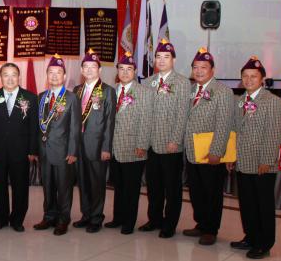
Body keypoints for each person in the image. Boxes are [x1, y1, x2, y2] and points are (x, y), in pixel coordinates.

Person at [231, 57, 281, 259]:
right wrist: (231, 156)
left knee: (263, 204)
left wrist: (267, 160)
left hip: (262, 163)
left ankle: (264, 243)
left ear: (262, 79)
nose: (249, 80)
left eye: (253, 76)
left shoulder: (272, 101)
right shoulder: (239, 101)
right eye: (245, 76)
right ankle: (251, 237)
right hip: (243, 160)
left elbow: (273, 133)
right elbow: (235, 131)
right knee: (247, 203)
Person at [181, 48, 234, 246]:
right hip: (192, 151)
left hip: (210, 152)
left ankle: (211, 229)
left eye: (203, 67)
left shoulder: (223, 91)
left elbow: (224, 123)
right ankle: (201, 224)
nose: (199, 71)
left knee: (212, 192)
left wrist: (216, 151)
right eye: (196, 67)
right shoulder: (190, 90)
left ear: (212, 70)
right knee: (196, 191)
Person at [140, 39, 191, 238]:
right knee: (153, 187)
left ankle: (169, 224)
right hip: (151, 144)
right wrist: (143, 142)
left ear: (174, 60)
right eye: (158, 57)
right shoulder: (148, 82)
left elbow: (182, 114)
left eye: (166, 57)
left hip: (171, 145)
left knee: (172, 189)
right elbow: (144, 114)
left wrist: (175, 140)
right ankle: (154, 219)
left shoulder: (182, 82)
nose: (161, 60)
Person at [0, 62, 38, 232]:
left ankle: (18, 219)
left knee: (20, 187)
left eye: (13, 75)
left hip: (21, 151)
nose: (10, 79)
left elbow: (34, 126)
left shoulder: (30, 97)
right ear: (1, 77)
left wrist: (32, 150)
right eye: (6, 75)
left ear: (19, 77)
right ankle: (0, 218)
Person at [33, 54, 79, 236]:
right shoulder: (41, 97)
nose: (54, 76)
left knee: (64, 188)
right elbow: (38, 126)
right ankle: (49, 216)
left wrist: (73, 151)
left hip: (63, 152)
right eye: (51, 72)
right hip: (44, 151)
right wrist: (35, 149)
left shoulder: (71, 98)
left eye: (58, 72)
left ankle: (63, 219)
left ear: (64, 76)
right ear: (47, 75)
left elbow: (75, 127)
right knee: (48, 187)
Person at [71, 49, 116, 233]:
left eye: (93, 66)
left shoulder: (107, 91)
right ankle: (86, 215)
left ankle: (97, 218)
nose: (89, 70)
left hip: (97, 146)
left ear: (100, 70)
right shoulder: (76, 90)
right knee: (82, 182)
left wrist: (106, 147)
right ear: (81, 70)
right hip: (78, 146)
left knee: (97, 183)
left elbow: (110, 122)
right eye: (86, 67)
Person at [107, 52, 152, 235]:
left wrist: (142, 144)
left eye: (129, 69)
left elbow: (146, 120)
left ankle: (129, 221)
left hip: (134, 147)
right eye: (122, 69)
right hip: (114, 148)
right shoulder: (112, 91)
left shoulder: (144, 92)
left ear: (135, 71)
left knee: (131, 188)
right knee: (118, 186)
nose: (125, 72)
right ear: (117, 71)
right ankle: (117, 218)